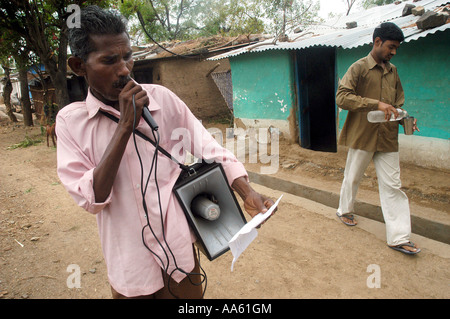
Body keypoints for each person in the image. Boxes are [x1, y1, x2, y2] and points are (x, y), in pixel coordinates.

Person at [56, 5, 275, 299]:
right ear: (79, 66)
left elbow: (211, 149)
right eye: (109, 60)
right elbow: (92, 198)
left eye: (127, 57)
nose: (123, 69)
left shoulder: (163, 100)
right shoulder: (71, 122)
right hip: (129, 263)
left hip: (178, 251)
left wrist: (246, 191)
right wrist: (124, 127)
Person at [335, 22, 420, 255]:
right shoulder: (359, 68)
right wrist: (375, 104)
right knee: (352, 177)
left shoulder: (393, 72)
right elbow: (342, 98)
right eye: (391, 47)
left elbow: (397, 104)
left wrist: (406, 118)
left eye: (396, 49)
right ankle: (344, 210)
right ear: (377, 42)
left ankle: (399, 237)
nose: (393, 52)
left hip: (388, 137)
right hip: (363, 135)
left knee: (393, 186)